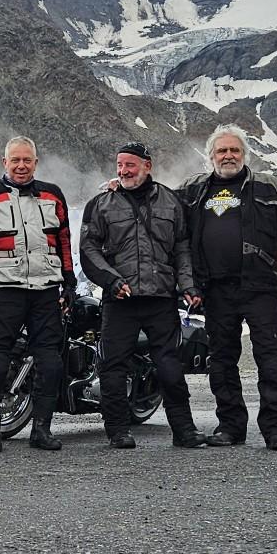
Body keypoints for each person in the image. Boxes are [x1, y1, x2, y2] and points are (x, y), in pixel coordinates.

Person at [176, 126, 277, 451]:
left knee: (270, 359)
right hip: (215, 291)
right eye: (221, 151)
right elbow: (160, 211)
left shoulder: (269, 187)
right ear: (210, 156)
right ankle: (230, 427)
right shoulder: (192, 190)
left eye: (234, 151)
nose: (228, 156)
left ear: (245, 154)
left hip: (261, 289)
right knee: (222, 360)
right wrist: (117, 187)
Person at [80, 141, 208, 450]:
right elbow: (88, 248)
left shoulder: (171, 202)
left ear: (147, 166)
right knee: (113, 366)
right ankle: (118, 432)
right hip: (119, 300)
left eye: (130, 165)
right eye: (120, 165)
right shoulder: (101, 204)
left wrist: (189, 286)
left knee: (169, 367)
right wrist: (111, 282)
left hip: (161, 299)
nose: (123, 171)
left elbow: (182, 249)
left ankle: (185, 431)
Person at [0, 136, 76, 453]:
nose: (21, 165)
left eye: (27, 160)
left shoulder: (53, 195)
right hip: (6, 292)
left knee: (50, 362)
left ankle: (41, 429)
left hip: (46, 293)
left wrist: (69, 282)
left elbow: (63, 241)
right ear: (4, 162)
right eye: (15, 160)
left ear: (36, 162)